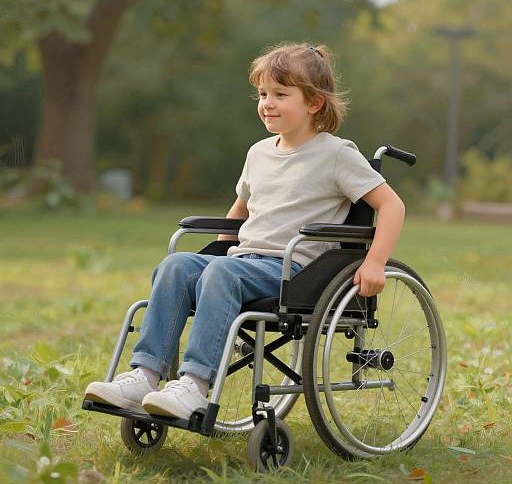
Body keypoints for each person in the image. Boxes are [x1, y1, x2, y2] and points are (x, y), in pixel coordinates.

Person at [85, 42, 405, 420]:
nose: (267, 102)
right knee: (176, 266)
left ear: (314, 103)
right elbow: (240, 209)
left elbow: (391, 205)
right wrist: (217, 252)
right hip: (242, 263)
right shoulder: (258, 153)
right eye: (263, 94)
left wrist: (375, 262)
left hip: (294, 272)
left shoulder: (336, 155)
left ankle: (195, 385)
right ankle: (145, 374)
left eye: (281, 95)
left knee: (221, 273)